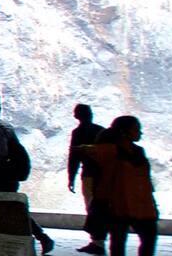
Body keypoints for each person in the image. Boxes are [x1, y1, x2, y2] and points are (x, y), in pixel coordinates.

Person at [0, 98, 55, 253]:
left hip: (3, 174)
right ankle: (42, 236)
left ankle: (41, 236)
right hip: (10, 172)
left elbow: (1, 152)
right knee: (11, 204)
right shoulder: (4, 125)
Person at [80, 116, 157, 256]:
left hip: (138, 204)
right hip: (119, 205)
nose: (140, 133)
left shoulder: (138, 151)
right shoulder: (110, 151)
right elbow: (91, 152)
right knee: (120, 243)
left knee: (128, 241)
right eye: (136, 129)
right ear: (124, 132)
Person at [71, 104, 110, 254]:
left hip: (89, 174)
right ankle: (100, 240)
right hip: (103, 175)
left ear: (76, 116)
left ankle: (97, 241)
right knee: (101, 207)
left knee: (92, 207)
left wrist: (71, 177)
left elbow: (74, 157)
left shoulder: (78, 132)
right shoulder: (101, 130)